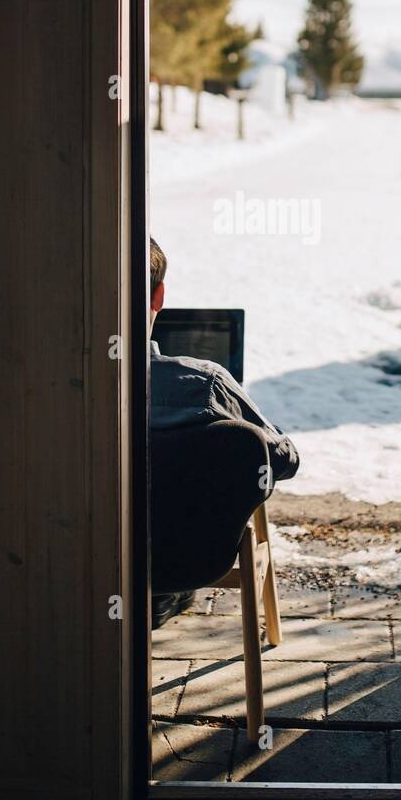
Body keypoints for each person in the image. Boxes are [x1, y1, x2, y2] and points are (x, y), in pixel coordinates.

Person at [149, 235, 300, 626]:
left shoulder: (45, 395)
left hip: (78, 556)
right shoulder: (204, 383)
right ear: (158, 296)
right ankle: (161, 593)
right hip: (191, 561)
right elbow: (281, 460)